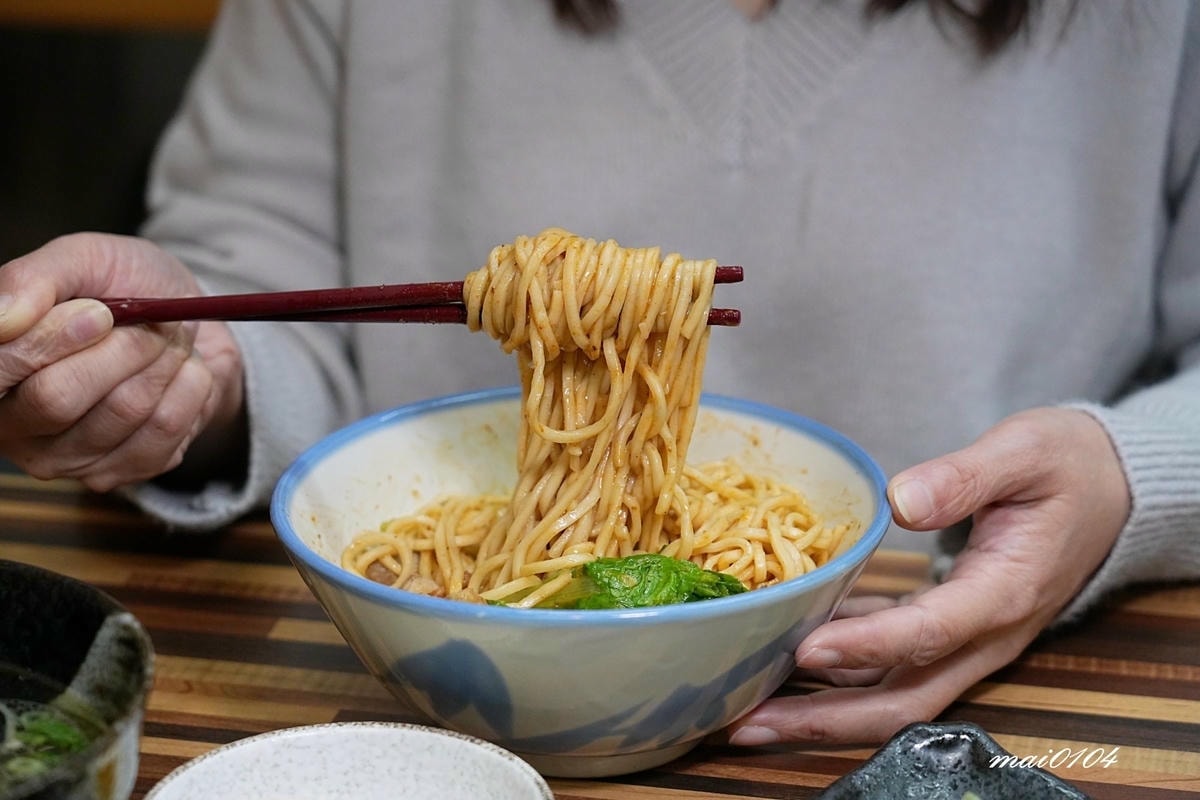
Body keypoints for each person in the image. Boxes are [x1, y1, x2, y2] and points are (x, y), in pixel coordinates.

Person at [0, 0, 1198, 748]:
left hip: (968, 695)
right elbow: (254, 274)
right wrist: (187, 376)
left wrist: (1123, 477)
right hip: (404, 704)